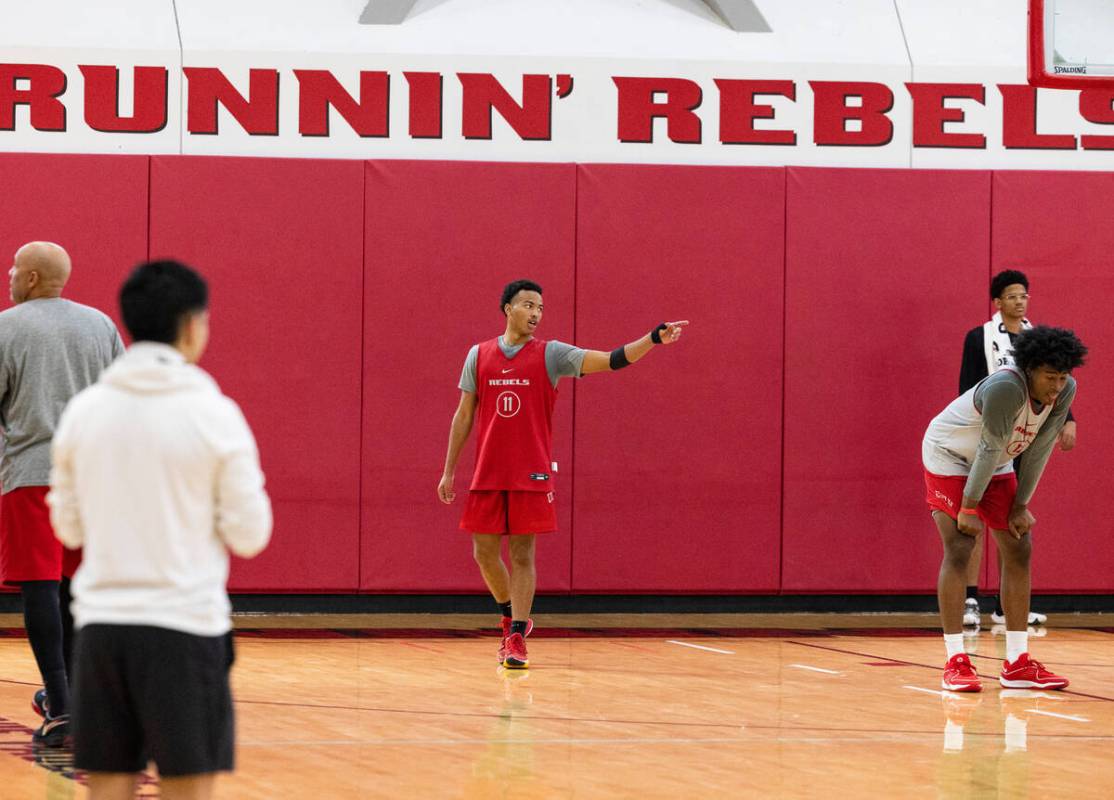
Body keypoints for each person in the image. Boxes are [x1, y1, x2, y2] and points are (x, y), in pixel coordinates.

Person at [47, 260, 273, 800]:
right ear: (193, 324)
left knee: (105, 789)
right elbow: (250, 535)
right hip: (185, 629)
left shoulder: (84, 412)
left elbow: (67, 528)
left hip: (101, 632)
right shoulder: (214, 413)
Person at [438, 279, 687, 669]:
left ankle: (517, 635)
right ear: (508, 308)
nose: (536, 313)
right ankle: (508, 615)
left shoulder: (552, 355)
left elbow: (612, 359)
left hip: (530, 473)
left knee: (522, 553)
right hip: (488, 472)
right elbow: (463, 414)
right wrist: (449, 470)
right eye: (528, 305)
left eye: (540, 307)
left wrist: (651, 339)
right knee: (484, 554)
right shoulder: (478, 354)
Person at [0, 241, 124, 747]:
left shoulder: (7, 326)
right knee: (76, 590)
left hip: (33, 473)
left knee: (40, 588)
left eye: (12, 268)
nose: (8, 275)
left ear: (30, 278)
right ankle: (75, 700)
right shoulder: (101, 325)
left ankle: (63, 706)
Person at [923, 325, 1086, 692]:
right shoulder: (1006, 388)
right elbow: (987, 448)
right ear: (1030, 368)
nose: (1057, 386)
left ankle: (1017, 663)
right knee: (960, 546)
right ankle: (956, 660)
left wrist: (1021, 505)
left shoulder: (1064, 392)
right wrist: (968, 507)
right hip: (949, 455)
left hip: (994, 461)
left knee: (1018, 545)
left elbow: (1040, 447)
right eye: (1050, 376)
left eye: (1063, 377)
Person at [957, 270, 1076, 628]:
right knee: (974, 516)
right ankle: (970, 599)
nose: (1019, 301)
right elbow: (967, 386)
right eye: (1011, 295)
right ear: (997, 301)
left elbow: (1055, 384)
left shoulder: (1039, 340)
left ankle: (1007, 606)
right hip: (991, 429)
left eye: (1024, 295)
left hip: (1025, 429)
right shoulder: (980, 337)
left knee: (1013, 519)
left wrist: (1067, 418)